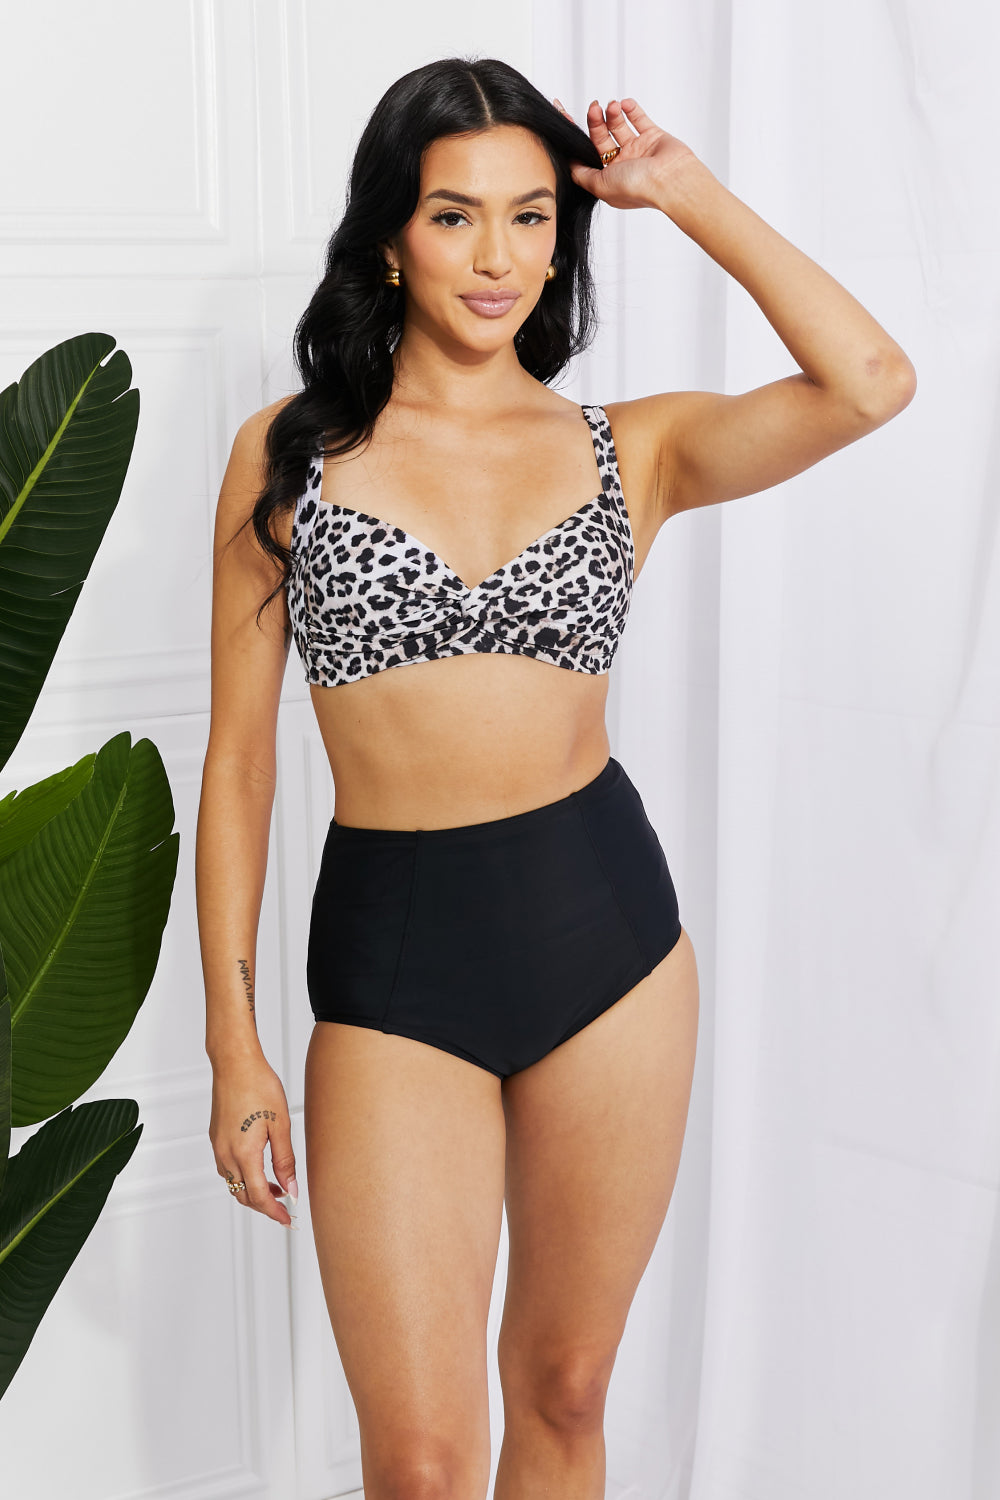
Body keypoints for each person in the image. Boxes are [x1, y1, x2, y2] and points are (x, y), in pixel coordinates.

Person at [195, 55, 915, 1500]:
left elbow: (871, 382)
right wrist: (233, 1044)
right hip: (396, 965)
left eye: (531, 218)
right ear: (390, 238)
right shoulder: (289, 457)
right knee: (419, 1462)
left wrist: (683, 190)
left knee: (569, 1391)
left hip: (608, 943)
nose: (497, 258)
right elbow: (241, 767)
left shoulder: (628, 449)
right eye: (455, 215)